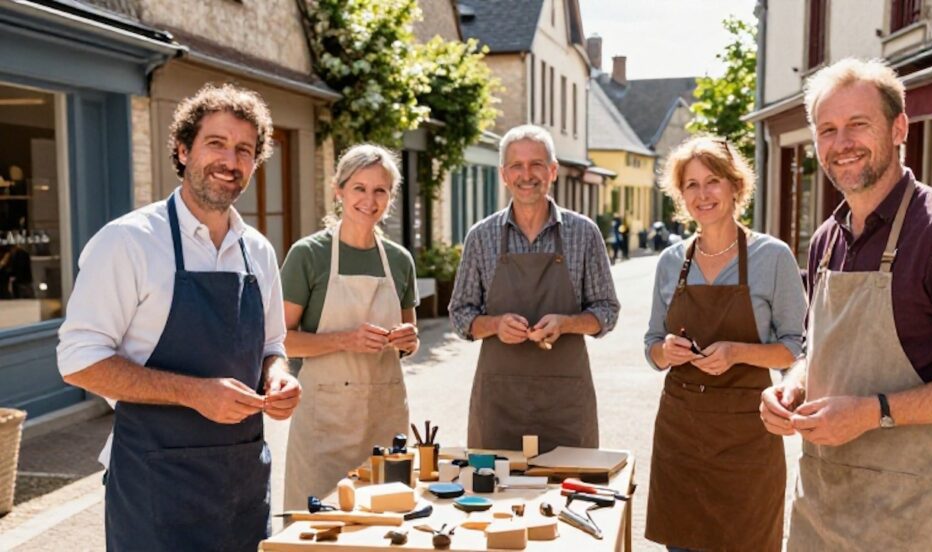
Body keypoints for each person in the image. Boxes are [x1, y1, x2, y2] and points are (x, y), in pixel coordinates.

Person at [759, 58, 932, 551]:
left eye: (858, 125)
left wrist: (870, 413)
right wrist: (791, 386)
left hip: (904, 515)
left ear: (899, 127)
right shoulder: (825, 240)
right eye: (828, 129)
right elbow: (813, 348)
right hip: (817, 506)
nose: (842, 144)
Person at [57, 83, 301, 551]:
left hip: (242, 485)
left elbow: (274, 346)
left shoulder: (259, 252)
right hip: (155, 488)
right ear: (183, 148)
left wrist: (279, 378)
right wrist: (194, 393)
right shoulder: (127, 242)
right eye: (216, 143)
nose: (230, 161)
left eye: (244, 150)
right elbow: (78, 360)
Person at [643, 136, 805, 551]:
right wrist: (666, 351)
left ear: (736, 186)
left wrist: (737, 352)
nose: (703, 194)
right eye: (691, 185)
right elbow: (652, 346)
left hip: (747, 437)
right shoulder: (671, 261)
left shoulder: (773, 256)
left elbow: (794, 347)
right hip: (680, 437)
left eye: (712, 180)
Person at [449, 124, 620, 453]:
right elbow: (460, 315)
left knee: (567, 497)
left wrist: (567, 323)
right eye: (517, 166)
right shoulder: (481, 237)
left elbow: (607, 311)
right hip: (499, 405)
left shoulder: (584, 234)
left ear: (553, 171)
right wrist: (496, 325)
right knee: (495, 498)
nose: (527, 175)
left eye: (537, 164)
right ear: (504, 174)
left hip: (566, 404)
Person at [281, 144, 419, 510]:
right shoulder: (308, 255)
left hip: (385, 418)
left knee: (386, 524)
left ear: (390, 197)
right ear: (338, 190)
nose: (369, 200)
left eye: (380, 191)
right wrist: (346, 339)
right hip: (324, 425)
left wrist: (408, 340)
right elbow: (281, 341)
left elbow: (409, 341)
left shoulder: (399, 260)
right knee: (317, 530)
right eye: (359, 188)